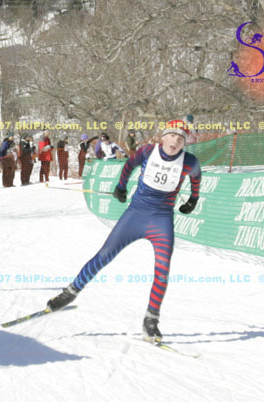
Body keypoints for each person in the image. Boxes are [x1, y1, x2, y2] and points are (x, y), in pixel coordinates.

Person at [46, 120, 202, 342]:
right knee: (104, 255)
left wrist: (193, 199)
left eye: (180, 139)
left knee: (162, 269)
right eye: (172, 136)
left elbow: (196, 177)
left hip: (161, 220)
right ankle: (69, 293)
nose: (175, 141)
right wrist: (121, 186)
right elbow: (130, 164)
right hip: (135, 215)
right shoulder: (148, 151)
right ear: (163, 137)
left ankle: (151, 320)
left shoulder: (189, 161)